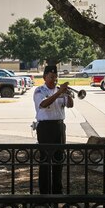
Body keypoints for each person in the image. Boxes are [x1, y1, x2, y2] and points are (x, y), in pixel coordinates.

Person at [33, 65, 73, 194]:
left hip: (59, 126)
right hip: (45, 127)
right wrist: (59, 92)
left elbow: (70, 105)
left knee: (59, 159)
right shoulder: (39, 91)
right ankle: (44, 193)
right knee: (45, 160)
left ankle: (57, 191)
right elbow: (43, 104)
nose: (54, 80)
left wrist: (68, 94)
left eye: (55, 77)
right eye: (51, 77)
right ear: (44, 77)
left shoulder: (59, 90)